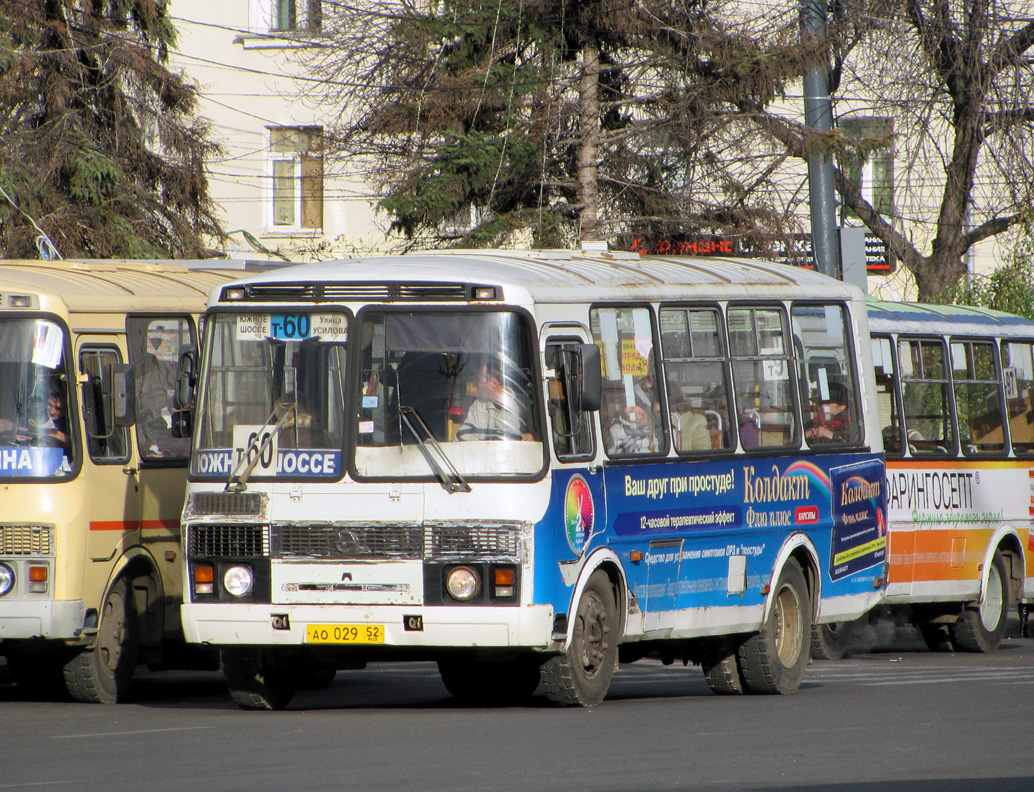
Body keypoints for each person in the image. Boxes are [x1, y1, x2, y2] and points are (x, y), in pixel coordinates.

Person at [457, 361, 534, 441]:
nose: (476, 385)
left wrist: (531, 437)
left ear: (494, 383)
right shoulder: (477, 406)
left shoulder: (524, 404)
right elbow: (462, 438)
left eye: (479, 381)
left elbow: (541, 437)